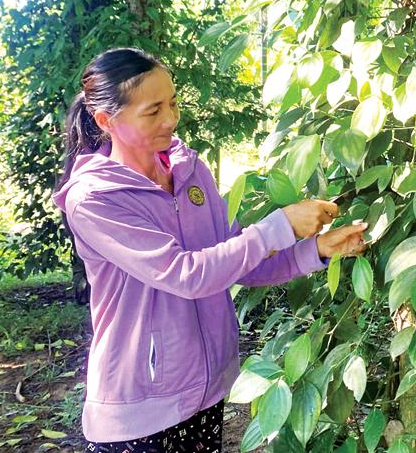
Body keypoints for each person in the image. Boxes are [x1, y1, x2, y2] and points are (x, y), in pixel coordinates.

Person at [51, 47, 367, 452]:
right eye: (153, 111)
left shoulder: (189, 170)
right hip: (138, 410)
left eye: (173, 103)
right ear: (106, 121)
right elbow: (188, 275)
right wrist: (280, 225)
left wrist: (316, 248)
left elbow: (237, 260)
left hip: (208, 392)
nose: (171, 119)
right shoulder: (95, 198)